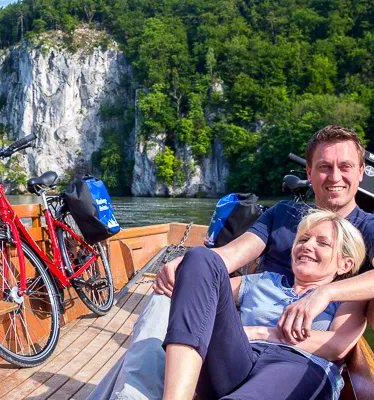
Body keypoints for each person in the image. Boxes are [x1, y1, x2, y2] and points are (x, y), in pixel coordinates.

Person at [87, 125, 374, 399]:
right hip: (241, 340)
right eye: (324, 167)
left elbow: (338, 342)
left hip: (299, 350)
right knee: (171, 287)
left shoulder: (369, 228)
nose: (335, 176)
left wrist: (325, 292)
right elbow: (230, 256)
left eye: (345, 166)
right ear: (309, 172)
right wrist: (187, 269)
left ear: (361, 172)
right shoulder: (284, 214)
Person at [163, 210, 367, 400]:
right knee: (201, 257)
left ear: (345, 264)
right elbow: (202, 289)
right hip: (233, 360)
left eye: (322, 243)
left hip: (297, 364)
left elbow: (336, 346)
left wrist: (258, 332)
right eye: (303, 239)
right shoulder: (263, 281)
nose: (307, 245)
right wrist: (183, 271)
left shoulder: (346, 297)